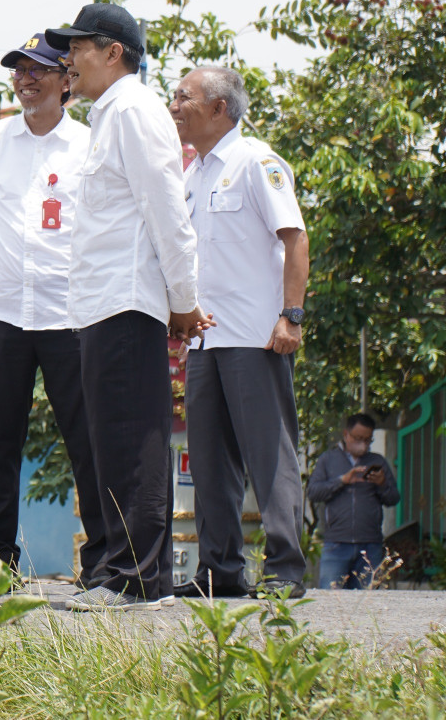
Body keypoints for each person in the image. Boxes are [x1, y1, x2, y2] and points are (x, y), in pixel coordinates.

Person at [45, 4, 208, 611]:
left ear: (113, 51)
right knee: (111, 440)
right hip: (98, 303)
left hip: (126, 301)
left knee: (132, 438)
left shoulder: (135, 112)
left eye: (78, 47)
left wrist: (184, 303)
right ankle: (124, 572)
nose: (68, 59)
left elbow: (168, 211)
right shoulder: (109, 116)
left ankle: (135, 578)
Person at [0, 33, 105, 590]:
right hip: (0, 313)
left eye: (39, 69)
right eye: (19, 70)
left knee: (87, 439)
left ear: (67, 80)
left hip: (71, 314)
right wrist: (9, 273)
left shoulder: (91, 144)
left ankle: (105, 560)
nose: (26, 78)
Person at [169, 66, 311, 600]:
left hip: (256, 336)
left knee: (269, 457)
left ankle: (285, 571)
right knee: (209, 462)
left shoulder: (256, 161)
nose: (174, 105)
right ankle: (220, 570)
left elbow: (294, 239)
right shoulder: (193, 175)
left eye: (184, 97)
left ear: (219, 109)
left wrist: (290, 316)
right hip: (206, 340)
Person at [307, 413, 401, 589]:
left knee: (367, 601)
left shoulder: (377, 461)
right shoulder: (328, 460)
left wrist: (382, 484)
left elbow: (393, 498)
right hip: (336, 544)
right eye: (358, 438)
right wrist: (343, 480)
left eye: (367, 440)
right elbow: (313, 493)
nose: (363, 444)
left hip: (370, 545)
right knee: (331, 599)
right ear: (346, 435)